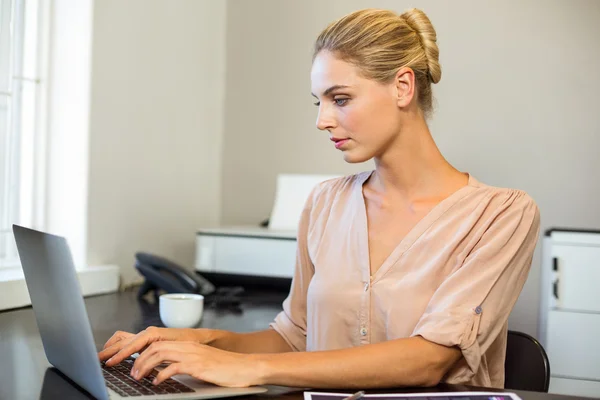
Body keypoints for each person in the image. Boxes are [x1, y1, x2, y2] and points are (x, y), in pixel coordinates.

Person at [98, 8, 540, 389]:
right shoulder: (325, 203)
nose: (323, 120)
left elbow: (430, 359)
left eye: (340, 99)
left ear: (403, 87)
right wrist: (205, 342)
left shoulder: (501, 214)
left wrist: (246, 367)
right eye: (319, 102)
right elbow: (294, 336)